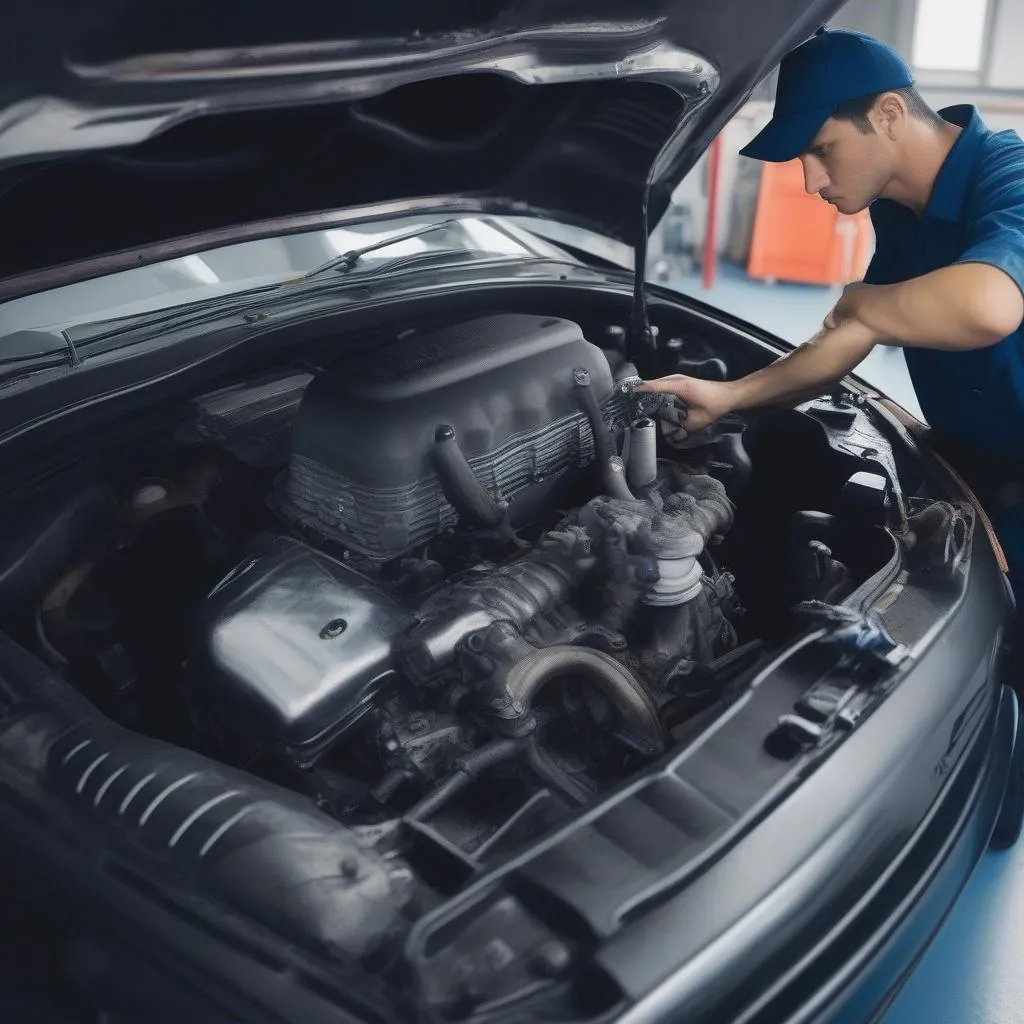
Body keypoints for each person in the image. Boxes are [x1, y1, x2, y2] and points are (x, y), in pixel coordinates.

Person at [639, 27, 1024, 602]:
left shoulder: (1008, 175)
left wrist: (864, 303)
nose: (811, 180)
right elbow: (850, 337)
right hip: (973, 475)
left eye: (821, 150)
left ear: (890, 113)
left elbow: (990, 306)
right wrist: (729, 397)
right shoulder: (898, 212)